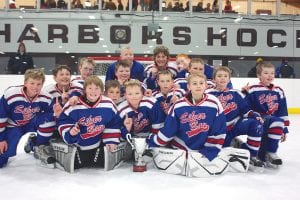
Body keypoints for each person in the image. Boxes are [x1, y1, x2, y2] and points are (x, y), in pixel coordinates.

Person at [149, 73, 250, 177]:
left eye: (201, 83)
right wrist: (155, 141)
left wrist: (211, 149)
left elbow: (218, 128)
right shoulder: (178, 105)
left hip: (204, 146)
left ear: (206, 85)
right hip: (180, 148)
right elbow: (169, 129)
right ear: (188, 86)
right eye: (194, 83)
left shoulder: (214, 102)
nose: (198, 86)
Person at [57, 75, 122, 170]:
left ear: (102, 91)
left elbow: (113, 123)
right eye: (90, 88)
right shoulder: (73, 104)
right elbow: (63, 121)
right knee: (75, 165)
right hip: (77, 146)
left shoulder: (108, 104)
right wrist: (71, 132)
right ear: (85, 90)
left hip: (98, 144)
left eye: (97, 88)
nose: (93, 91)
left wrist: (111, 140)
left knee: (103, 163)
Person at [207, 66, 264, 171]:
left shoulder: (236, 93)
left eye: (225, 76)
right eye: (219, 76)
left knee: (256, 126)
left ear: (229, 79)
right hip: (218, 131)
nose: (222, 78)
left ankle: (252, 155)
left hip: (235, 125)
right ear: (214, 79)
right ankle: (238, 144)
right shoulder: (207, 94)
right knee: (224, 152)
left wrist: (254, 115)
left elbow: (245, 110)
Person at [0, 69, 55, 168]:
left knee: (49, 121)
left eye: (39, 84)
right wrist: (1, 139)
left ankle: (38, 145)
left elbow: (51, 113)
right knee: (1, 161)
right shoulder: (11, 94)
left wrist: (56, 114)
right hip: (13, 125)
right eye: (32, 83)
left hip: (31, 122)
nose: (35, 87)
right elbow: (1, 116)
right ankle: (32, 141)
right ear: (25, 83)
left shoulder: (46, 98)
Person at [245, 62, 290, 167]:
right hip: (259, 119)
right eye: (266, 73)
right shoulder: (252, 89)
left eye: (272, 73)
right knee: (275, 123)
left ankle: (269, 153)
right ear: (259, 75)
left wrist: (284, 129)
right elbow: (245, 107)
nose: (270, 76)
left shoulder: (279, 90)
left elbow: (282, 110)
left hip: (273, 120)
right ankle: (268, 152)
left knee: (261, 152)